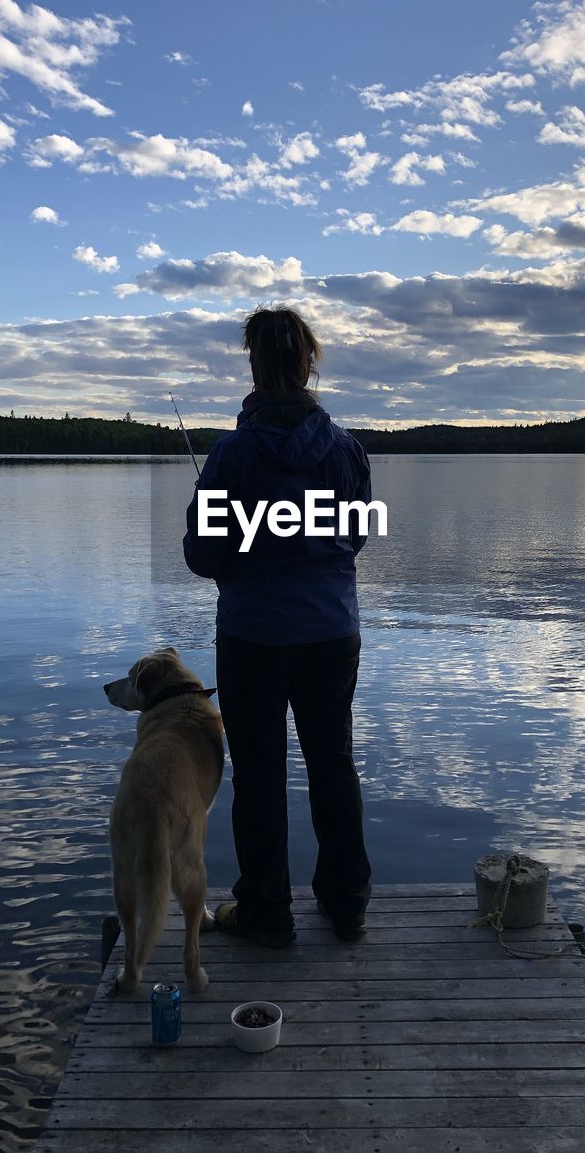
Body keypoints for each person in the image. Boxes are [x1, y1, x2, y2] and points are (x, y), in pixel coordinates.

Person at [182, 305, 373, 946]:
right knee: (333, 763)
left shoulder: (233, 455)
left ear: (256, 367)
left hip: (255, 638)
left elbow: (205, 557)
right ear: (307, 365)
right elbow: (354, 538)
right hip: (331, 633)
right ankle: (346, 904)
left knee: (260, 774)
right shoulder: (346, 451)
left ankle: (267, 913)